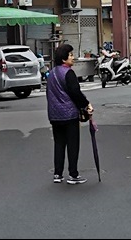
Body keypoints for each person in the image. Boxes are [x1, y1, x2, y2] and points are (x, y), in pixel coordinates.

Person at [46, 43, 93, 185]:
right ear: (63, 58)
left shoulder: (52, 73)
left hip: (54, 115)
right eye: (71, 55)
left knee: (59, 144)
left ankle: (57, 174)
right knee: (73, 144)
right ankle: (73, 174)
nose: (73, 57)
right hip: (69, 115)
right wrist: (86, 105)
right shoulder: (68, 73)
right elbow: (75, 93)